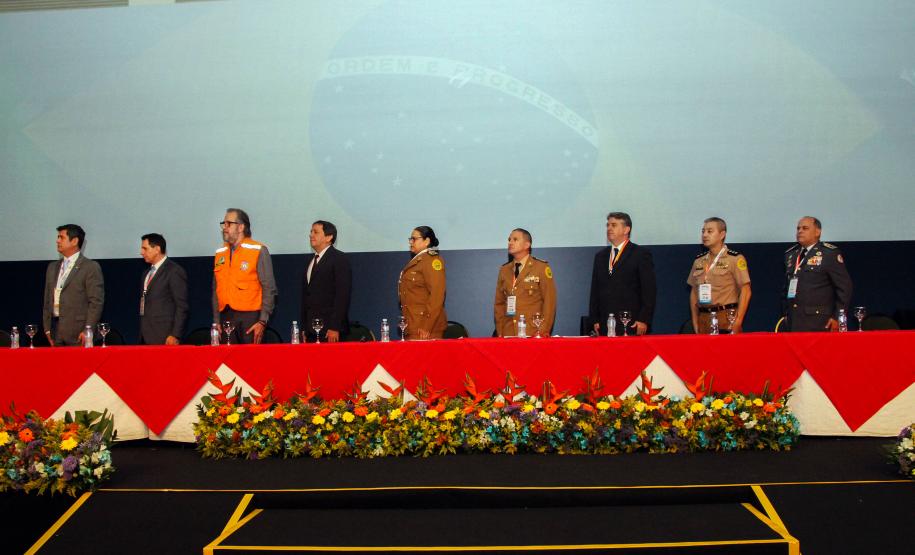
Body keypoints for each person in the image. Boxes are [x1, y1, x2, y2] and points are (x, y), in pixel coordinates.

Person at [212, 208, 278, 344]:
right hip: (226, 317)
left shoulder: (258, 250)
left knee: (250, 363)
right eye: (223, 224)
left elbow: (269, 287)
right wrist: (217, 320)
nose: (224, 227)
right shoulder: (220, 253)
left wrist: (262, 321)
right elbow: (216, 289)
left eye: (228, 223)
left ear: (241, 227)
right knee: (227, 364)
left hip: (250, 318)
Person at [589, 212, 656, 336]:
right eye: (608, 225)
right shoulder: (600, 256)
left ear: (626, 229)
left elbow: (649, 290)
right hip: (605, 324)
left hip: (632, 323)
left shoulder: (640, 254)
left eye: (614, 225)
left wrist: (643, 319)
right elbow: (595, 291)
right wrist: (595, 319)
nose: (609, 228)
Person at [782, 216, 852, 332]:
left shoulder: (828, 254)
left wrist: (837, 318)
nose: (800, 231)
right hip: (794, 321)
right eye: (798, 228)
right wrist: (785, 312)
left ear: (817, 232)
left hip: (819, 321)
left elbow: (844, 287)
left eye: (805, 228)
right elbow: (786, 287)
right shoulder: (791, 255)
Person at [42, 224, 105, 346]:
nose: (57, 241)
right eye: (58, 237)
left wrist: (88, 329)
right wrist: (47, 328)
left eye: (61, 237)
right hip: (55, 331)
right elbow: (47, 300)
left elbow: (96, 302)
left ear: (74, 241)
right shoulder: (52, 267)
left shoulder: (90, 267)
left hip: (79, 333)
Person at [687, 217, 751, 334]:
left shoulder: (734, 259)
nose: (705, 235)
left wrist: (738, 321)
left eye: (710, 231)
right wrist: (695, 321)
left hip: (726, 317)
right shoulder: (699, 261)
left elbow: (746, 290)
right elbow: (694, 292)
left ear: (722, 235)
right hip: (704, 318)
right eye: (703, 231)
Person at [494, 228, 556, 337]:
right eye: (509, 239)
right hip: (508, 333)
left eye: (515, 239)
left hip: (533, 332)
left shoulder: (541, 267)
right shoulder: (504, 270)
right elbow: (499, 304)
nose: (510, 242)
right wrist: (500, 331)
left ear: (527, 245)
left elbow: (549, 301)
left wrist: (543, 331)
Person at [301, 220, 352, 342]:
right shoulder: (311, 261)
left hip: (330, 330)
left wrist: (335, 327)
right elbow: (306, 297)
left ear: (329, 237)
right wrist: (304, 328)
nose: (311, 235)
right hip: (311, 331)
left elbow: (342, 296)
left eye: (316, 232)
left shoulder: (339, 259)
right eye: (311, 231)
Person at [138, 233, 188, 345]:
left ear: (157, 249)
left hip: (165, 337)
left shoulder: (174, 271)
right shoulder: (146, 274)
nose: (141, 253)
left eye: (145, 248)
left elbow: (182, 306)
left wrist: (175, 335)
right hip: (145, 336)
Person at [398, 226, 447, 340]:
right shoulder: (418, 260)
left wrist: (427, 326)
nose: (411, 242)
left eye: (414, 239)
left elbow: (437, 295)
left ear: (426, 241)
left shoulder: (432, 261)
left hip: (425, 329)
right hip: (414, 325)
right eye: (410, 239)